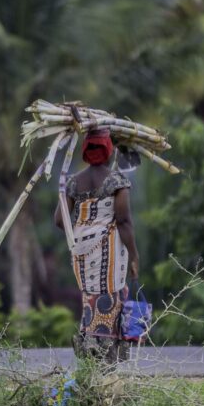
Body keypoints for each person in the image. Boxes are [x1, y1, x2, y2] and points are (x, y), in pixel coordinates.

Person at [54, 128, 139, 363]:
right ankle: (105, 363)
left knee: (89, 299)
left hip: (80, 253)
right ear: (109, 151)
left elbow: (60, 220)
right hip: (109, 251)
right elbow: (123, 221)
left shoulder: (73, 182)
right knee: (110, 300)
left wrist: (83, 232)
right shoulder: (117, 181)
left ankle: (89, 356)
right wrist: (134, 256)